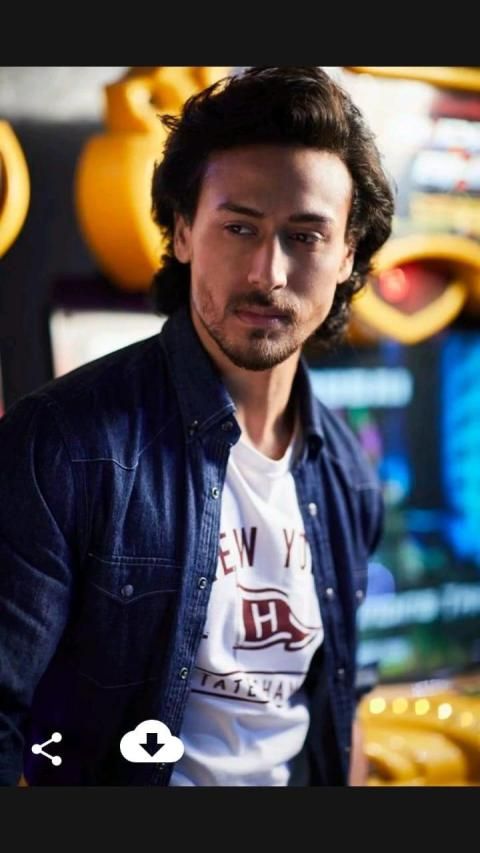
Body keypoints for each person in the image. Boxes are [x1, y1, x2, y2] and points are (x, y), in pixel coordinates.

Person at [0, 66, 394, 786]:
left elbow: (340, 706)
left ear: (346, 254)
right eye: (239, 227)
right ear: (183, 231)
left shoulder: (350, 475)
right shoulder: (61, 444)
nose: (268, 273)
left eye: (305, 236)